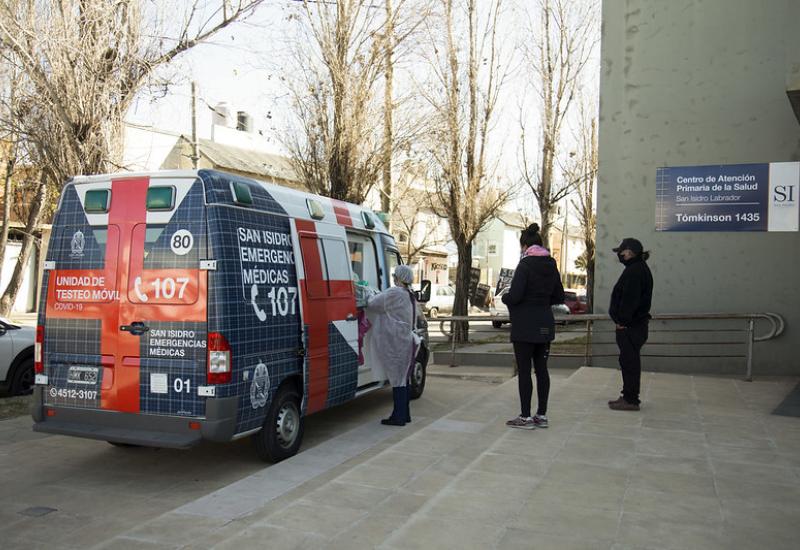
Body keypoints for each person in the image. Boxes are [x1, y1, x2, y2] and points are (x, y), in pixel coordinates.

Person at [503, 224, 565, 430]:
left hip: (524, 325)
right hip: (545, 323)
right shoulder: (551, 264)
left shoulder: (525, 265)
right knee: (542, 370)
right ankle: (542, 415)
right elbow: (559, 296)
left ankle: (525, 416)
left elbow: (516, 296)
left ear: (524, 245)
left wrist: (505, 297)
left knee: (524, 371)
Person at [365, 265, 418, 426]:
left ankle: (399, 417)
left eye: (395, 275)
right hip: (405, 340)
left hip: (396, 342)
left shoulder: (395, 292)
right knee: (403, 379)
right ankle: (404, 414)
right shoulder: (409, 294)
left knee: (398, 380)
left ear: (399, 278)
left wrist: (367, 293)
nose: (394, 278)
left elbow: (373, 304)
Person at [608, 237, 653, 411]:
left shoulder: (635, 271)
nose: (619, 255)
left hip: (630, 326)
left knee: (630, 362)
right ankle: (628, 395)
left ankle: (631, 399)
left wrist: (622, 322)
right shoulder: (638, 269)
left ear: (630, 252)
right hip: (633, 325)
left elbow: (630, 300)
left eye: (621, 251)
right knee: (628, 362)